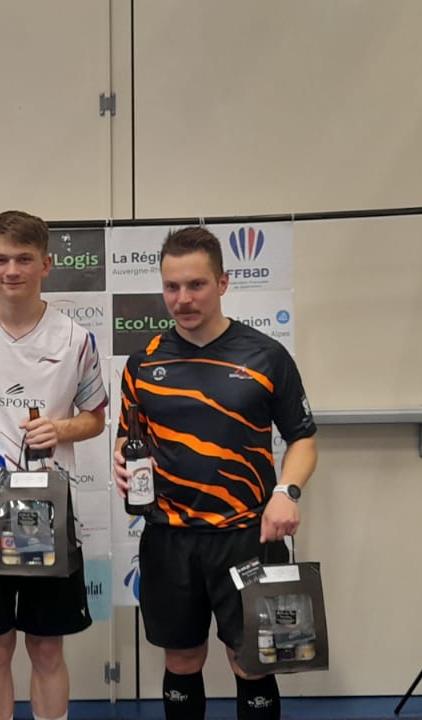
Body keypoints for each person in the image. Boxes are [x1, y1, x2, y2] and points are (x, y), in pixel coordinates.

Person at [111, 226, 317, 720]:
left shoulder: (266, 355)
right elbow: (126, 435)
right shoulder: (143, 362)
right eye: (172, 287)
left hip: (246, 535)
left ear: (223, 283)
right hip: (169, 538)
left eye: (196, 285)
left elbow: (303, 439)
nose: (183, 299)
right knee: (181, 659)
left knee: (253, 662)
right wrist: (120, 459)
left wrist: (287, 492)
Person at [0, 210, 107, 720]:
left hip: (46, 521)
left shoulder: (75, 339)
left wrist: (62, 429)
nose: (12, 270)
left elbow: (95, 418)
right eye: (2, 259)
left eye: (25, 259)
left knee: (47, 648)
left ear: (46, 265)